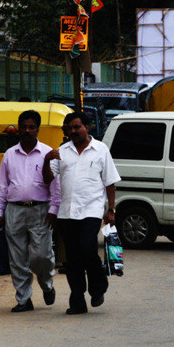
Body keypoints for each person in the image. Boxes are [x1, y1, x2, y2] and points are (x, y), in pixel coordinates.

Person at [43, 111, 120, 315]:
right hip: (67, 212)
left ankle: (98, 287)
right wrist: (46, 160)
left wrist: (111, 210)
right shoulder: (62, 151)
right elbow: (48, 178)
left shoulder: (100, 149)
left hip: (91, 210)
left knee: (88, 250)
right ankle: (77, 301)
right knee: (73, 259)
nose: (73, 131)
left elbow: (110, 182)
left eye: (77, 127)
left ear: (87, 127)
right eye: (70, 128)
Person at [0, 110, 61, 313]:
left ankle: (47, 284)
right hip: (14, 211)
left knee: (41, 255)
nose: (27, 130)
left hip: (40, 210)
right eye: (23, 126)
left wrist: (53, 209)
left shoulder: (47, 153)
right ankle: (24, 299)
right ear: (18, 128)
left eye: (31, 127)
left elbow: (56, 186)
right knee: (17, 258)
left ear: (38, 129)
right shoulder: (9, 154)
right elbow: (2, 186)